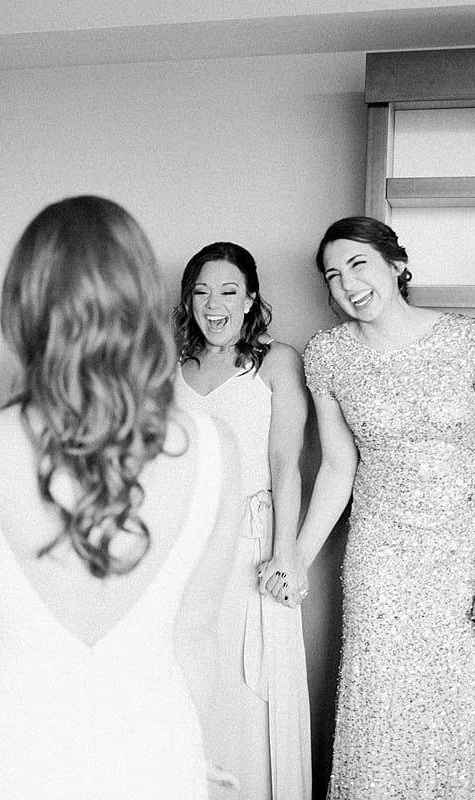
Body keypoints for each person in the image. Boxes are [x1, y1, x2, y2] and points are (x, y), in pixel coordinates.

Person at [0, 195, 243, 800]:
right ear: (141, 301)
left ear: (24, 303)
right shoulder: (214, 449)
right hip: (155, 752)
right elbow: (195, 633)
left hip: (7, 754)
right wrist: (195, 751)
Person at [288, 217, 475, 798]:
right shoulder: (329, 356)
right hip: (381, 561)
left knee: (464, 715)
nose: (347, 285)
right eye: (333, 276)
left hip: (465, 560)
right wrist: (297, 558)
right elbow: (339, 469)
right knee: (380, 713)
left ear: (396, 264)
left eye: (358, 264)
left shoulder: (473, 343)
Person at [172, 242, 312, 799]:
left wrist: (286, 553)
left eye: (229, 290)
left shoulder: (277, 362)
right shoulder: (171, 368)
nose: (215, 304)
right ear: (189, 301)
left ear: (250, 299)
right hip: (187, 551)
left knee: (249, 692)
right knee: (192, 686)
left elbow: (286, 463)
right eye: (202, 291)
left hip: (253, 547)